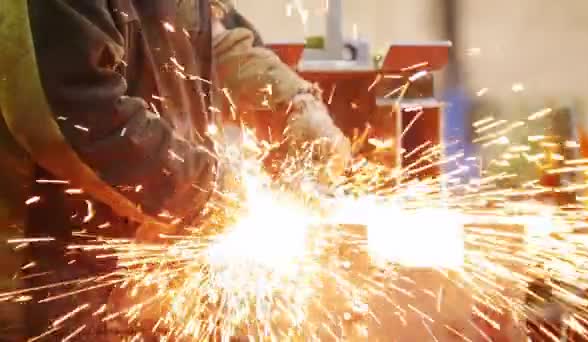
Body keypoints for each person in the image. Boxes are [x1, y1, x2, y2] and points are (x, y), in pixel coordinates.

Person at [0, 0, 350, 339]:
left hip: (152, 271)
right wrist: (204, 194)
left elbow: (210, 36)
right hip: (51, 282)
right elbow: (71, 112)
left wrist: (290, 101)